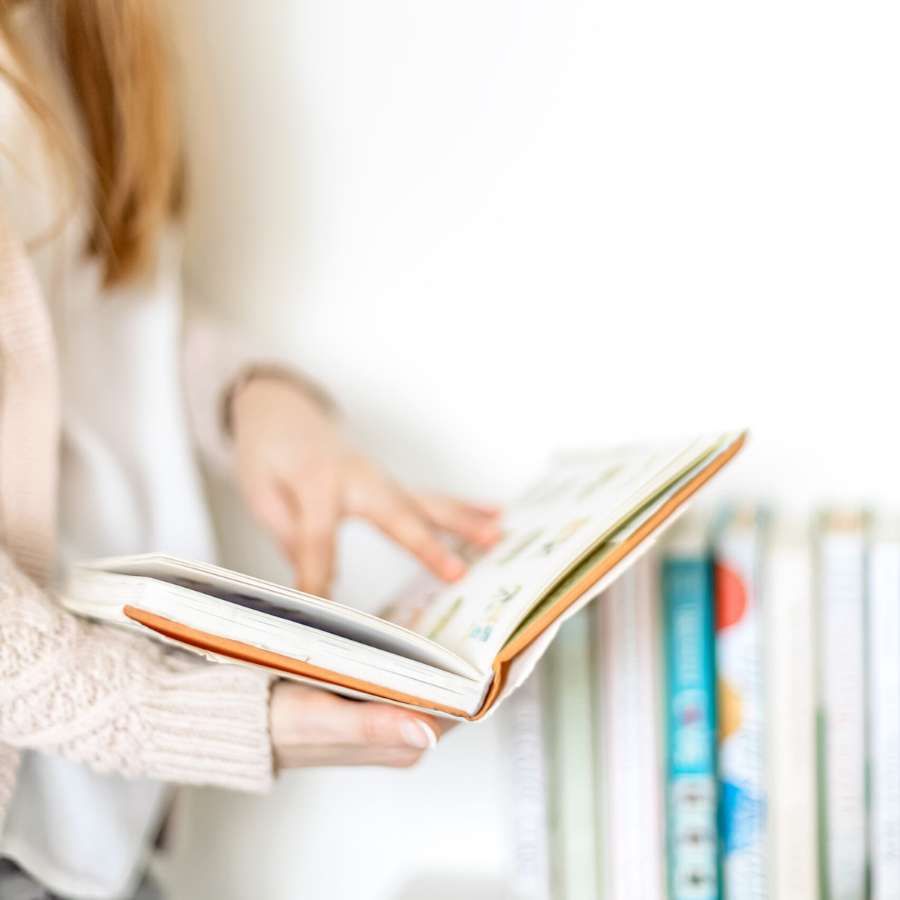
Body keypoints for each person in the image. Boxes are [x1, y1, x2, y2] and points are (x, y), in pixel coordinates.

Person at [0, 1, 500, 898]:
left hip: (106, 821)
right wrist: (213, 718)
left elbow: (89, 319)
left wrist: (252, 402)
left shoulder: (76, 31)